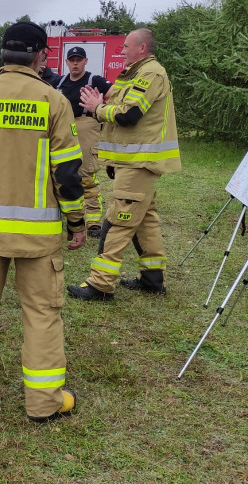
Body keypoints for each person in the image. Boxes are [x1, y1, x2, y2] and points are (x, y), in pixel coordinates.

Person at [0, 21, 86, 421]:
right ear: (41, 54)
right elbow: (67, 175)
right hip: (38, 237)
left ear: (2, 54)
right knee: (42, 314)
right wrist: (76, 223)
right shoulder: (53, 101)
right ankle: (44, 403)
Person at [68, 28, 181, 301]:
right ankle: (153, 279)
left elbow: (129, 114)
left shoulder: (151, 73)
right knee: (146, 221)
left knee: (118, 221)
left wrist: (96, 107)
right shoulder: (135, 73)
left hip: (140, 163)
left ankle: (100, 284)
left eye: (126, 46)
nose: (122, 51)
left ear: (141, 48)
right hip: (132, 161)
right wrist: (115, 160)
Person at [54, 46, 112, 237]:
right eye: (72, 60)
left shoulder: (94, 80)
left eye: (79, 59)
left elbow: (115, 93)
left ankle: (93, 220)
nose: (76, 63)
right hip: (64, 128)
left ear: (86, 61)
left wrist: (102, 107)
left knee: (86, 175)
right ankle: (67, 215)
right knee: (61, 172)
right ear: (67, 62)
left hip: (87, 126)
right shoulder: (59, 82)